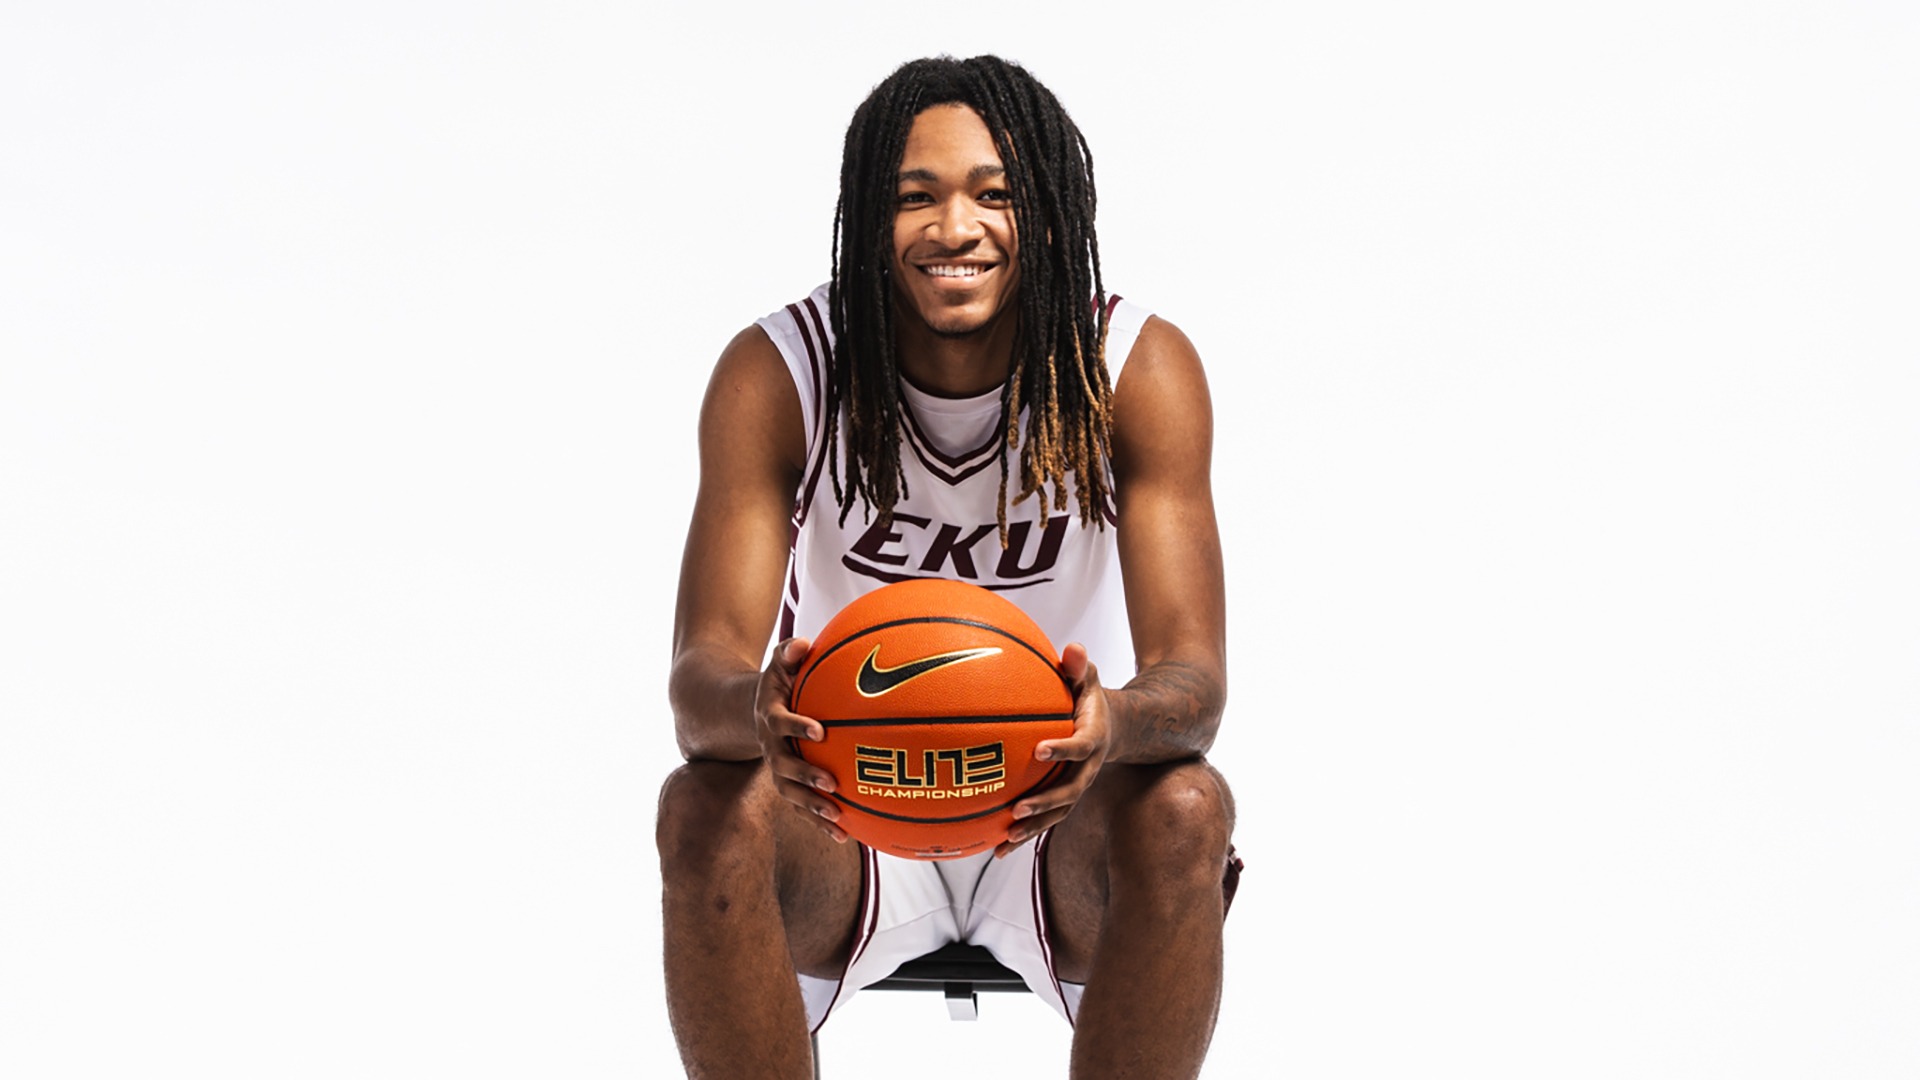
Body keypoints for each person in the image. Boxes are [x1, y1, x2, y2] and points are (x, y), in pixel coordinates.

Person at [656, 55, 1239, 1078]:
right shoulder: (782, 374)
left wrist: (1110, 727)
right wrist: (758, 707)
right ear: (868, 219)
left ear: (1050, 212)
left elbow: (1194, 683)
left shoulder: (1131, 372)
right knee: (702, 805)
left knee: (1189, 808)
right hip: (844, 804)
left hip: (1051, 808)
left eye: (995, 193)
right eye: (914, 196)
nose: (953, 229)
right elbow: (698, 678)